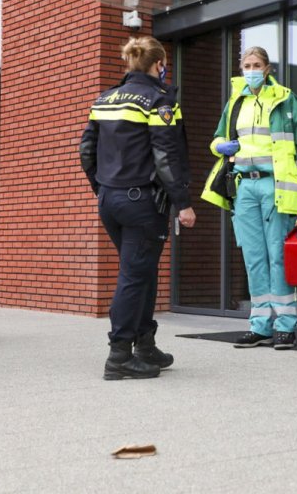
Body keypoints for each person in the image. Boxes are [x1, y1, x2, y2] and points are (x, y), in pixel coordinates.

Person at [80, 36, 196, 380]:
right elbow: (166, 155)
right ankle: (119, 355)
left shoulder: (104, 99)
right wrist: (183, 203)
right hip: (141, 202)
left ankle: (145, 345)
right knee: (134, 275)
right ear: (159, 64)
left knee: (141, 271)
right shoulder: (159, 100)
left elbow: (86, 151)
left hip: (110, 200)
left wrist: (102, 188)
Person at [202, 46, 297, 350]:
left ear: (267, 69)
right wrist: (220, 146)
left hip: (275, 185)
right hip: (244, 187)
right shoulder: (235, 102)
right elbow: (217, 138)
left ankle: (285, 326)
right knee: (253, 259)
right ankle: (260, 326)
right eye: (246, 65)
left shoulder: (286, 100)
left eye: (256, 65)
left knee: (278, 257)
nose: (251, 70)